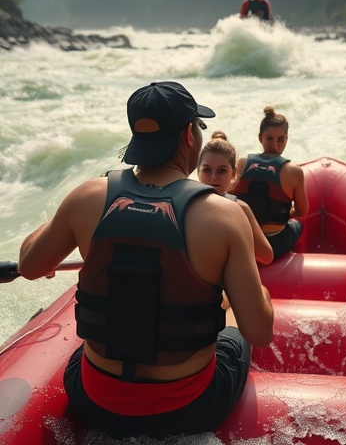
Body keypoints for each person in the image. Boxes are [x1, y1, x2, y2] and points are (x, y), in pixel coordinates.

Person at [17, 81, 274, 439]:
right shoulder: (223, 215)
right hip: (191, 408)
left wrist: (58, 223)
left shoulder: (87, 197)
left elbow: (29, 265)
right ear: (189, 135)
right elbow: (260, 333)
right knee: (235, 315)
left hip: (93, 402)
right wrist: (257, 290)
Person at [231, 106, 309, 259]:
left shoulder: (242, 163)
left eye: (280, 139)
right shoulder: (294, 171)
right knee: (299, 225)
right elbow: (302, 211)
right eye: (270, 139)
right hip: (274, 243)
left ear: (286, 139)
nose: (275, 145)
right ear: (261, 138)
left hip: (245, 239)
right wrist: (282, 213)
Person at [197, 130, 274, 265]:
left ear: (233, 174)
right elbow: (266, 256)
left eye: (221, 170)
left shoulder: (182, 203)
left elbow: (267, 255)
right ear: (198, 171)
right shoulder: (240, 209)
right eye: (207, 170)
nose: (213, 177)